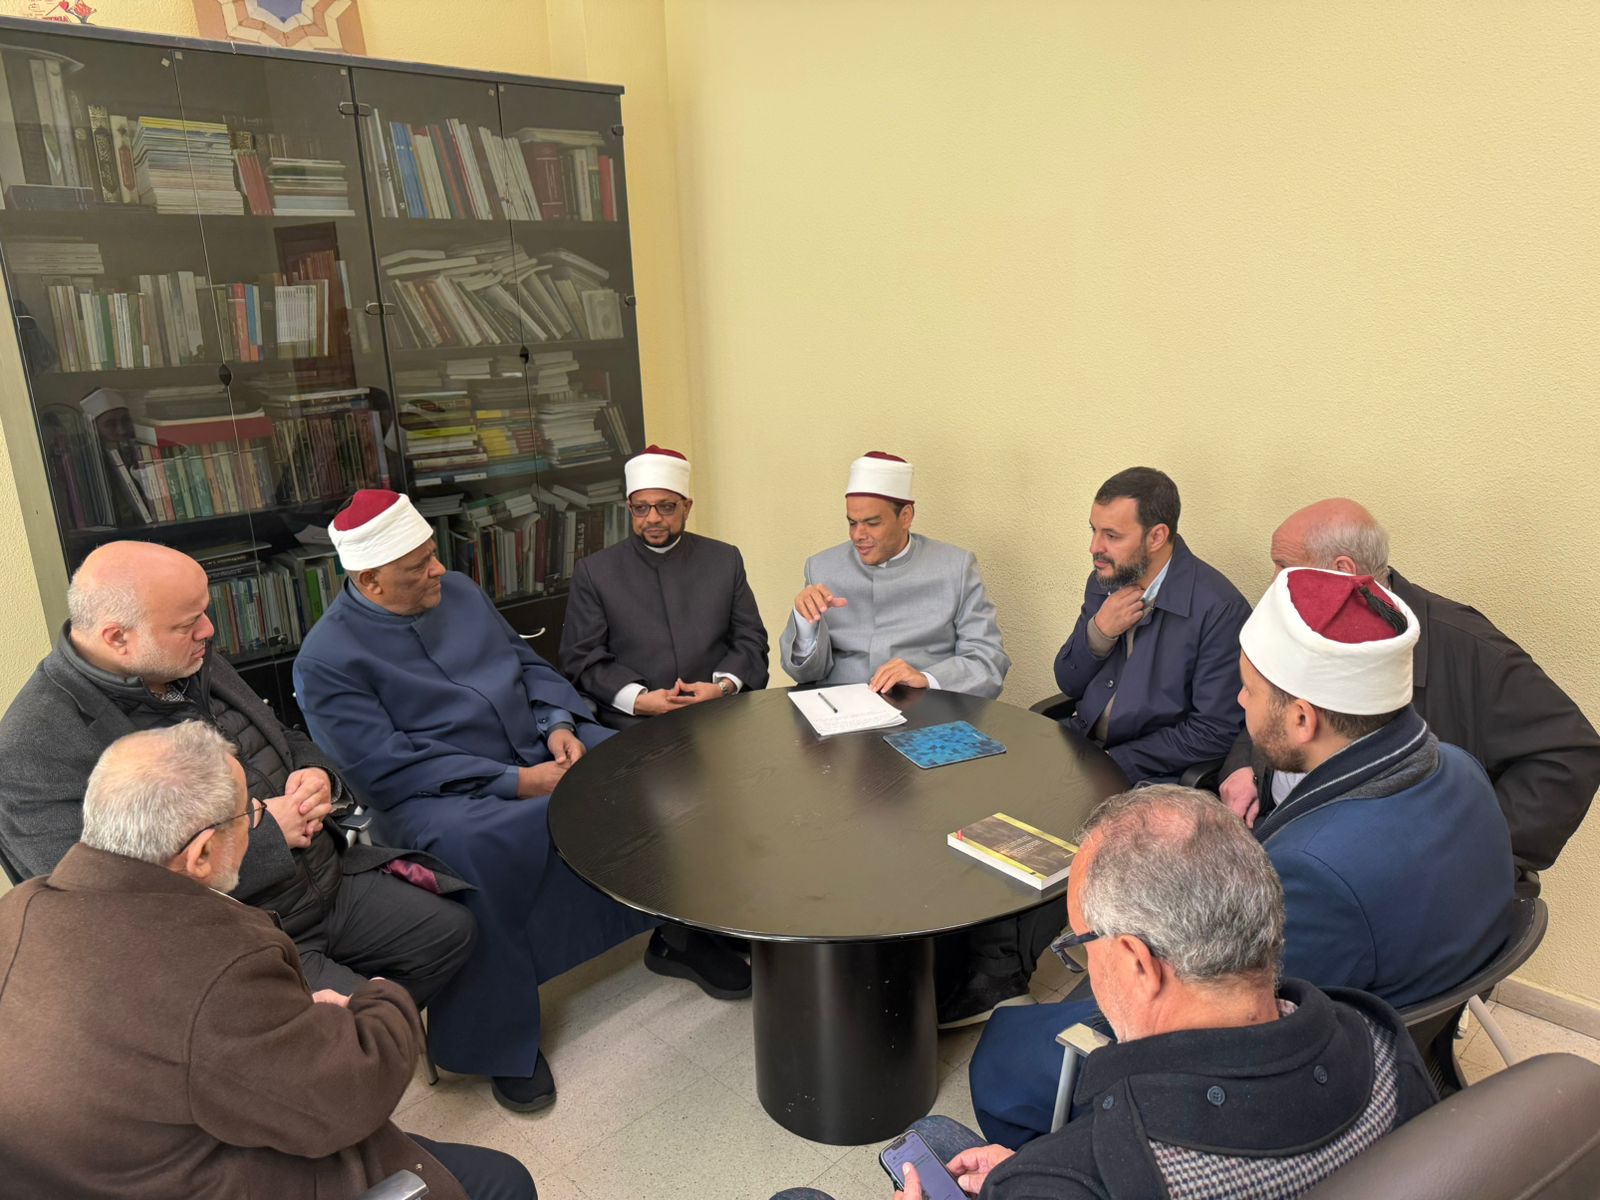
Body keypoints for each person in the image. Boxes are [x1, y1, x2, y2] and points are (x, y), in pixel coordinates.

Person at [969, 566, 1514, 1146]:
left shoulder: (1314, 872)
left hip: (1303, 1082)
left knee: (1006, 1052)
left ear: (1302, 718)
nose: (1239, 700)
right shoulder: (1461, 768)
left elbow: (1226, 1024)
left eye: (1249, 690)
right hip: (1407, 1010)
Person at [293, 488, 749, 1113]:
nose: (439, 571)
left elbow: (526, 663)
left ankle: (679, 936)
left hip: (534, 741)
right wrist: (518, 783)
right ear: (371, 581)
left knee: (646, 772)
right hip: (437, 794)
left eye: (433, 555)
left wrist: (557, 721)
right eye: (419, 567)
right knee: (479, 851)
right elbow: (383, 763)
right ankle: (499, 1042)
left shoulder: (458, 590)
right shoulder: (325, 660)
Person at [770, 785, 1437, 1200]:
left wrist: (1041, 1178)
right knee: (932, 1134)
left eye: (1082, 944)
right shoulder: (1381, 1042)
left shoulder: (1088, 1175)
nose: (1083, 965)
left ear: (1138, 963)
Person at [0, 722, 533, 1200]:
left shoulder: (20, 908)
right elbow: (347, 1101)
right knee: (504, 1181)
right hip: (223, 1173)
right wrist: (376, 998)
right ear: (201, 853)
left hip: (115, 1164)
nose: (259, 817)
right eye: (251, 812)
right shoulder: (216, 967)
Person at [0, 540, 476, 1007]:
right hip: (236, 931)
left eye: (204, 612)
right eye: (188, 623)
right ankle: (343, 1041)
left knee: (452, 933)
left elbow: (281, 735)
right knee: (348, 1034)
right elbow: (99, 903)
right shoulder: (34, 743)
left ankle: (368, 1034)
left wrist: (316, 775)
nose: (208, 630)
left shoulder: (184, 657)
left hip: (325, 881)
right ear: (117, 637)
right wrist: (268, 836)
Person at [1220, 497, 1600, 887]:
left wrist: (1466, 852)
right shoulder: (1297, 626)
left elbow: (1571, 752)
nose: (1273, 584)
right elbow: (1264, 700)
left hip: (1364, 877)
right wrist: (1244, 765)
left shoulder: (1465, 648)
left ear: (1342, 571)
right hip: (1278, 837)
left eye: (1283, 566)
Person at [1052, 466, 1251, 784]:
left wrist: (1114, 762)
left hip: (1150, 776)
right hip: (1084, 748)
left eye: (1112, 536)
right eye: (1094, 530)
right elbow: (1069, 683)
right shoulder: (1104, 580)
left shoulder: (1219, 609)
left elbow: (1214, 731)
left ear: (1156, 536)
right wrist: (1099, 633)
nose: (1094, 547)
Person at [561, 444, 769, 729]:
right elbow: (582, 659)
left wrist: (722, 688)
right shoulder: (595, 572)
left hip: (719, 717)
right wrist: (637, 699)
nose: (653, 518)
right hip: (632, 726)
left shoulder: (724, 559)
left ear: (687, 507)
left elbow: (750, 639)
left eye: (666, 506)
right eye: (641, 508)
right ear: (630, 508)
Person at [778, 451, 1010, 698]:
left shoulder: (956, 568)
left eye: (872, 523)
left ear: (906, 517)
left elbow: (988, 661)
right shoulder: (822, 567)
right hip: (838, 711)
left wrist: (927, 678)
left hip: (924, 711)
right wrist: (805, 625)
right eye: (852, 523)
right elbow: (805, 676)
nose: (858, 535)